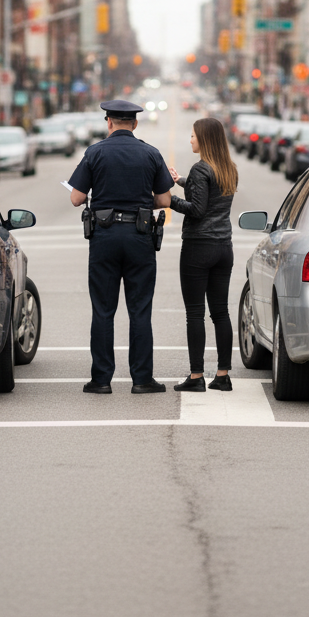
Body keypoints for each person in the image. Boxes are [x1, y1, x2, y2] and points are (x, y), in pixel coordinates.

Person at [68, 99, 174, 395]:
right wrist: (140, 202)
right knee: (140, 310)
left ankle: (101, 380)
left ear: (109, 122)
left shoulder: (95, 152)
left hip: (104, 238)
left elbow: (76, 198)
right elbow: (164, 200)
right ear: (135, 123)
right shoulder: (151, 153)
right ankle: (142, 380)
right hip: (140, 237)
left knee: (103, 310)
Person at [167, 118, 238, 393]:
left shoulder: (200, 168)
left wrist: (168, 198)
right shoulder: (229, 169)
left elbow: (197, 209)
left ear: (205, 139)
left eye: (194, 135)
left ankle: (196, 376)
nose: (190, 139)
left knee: (195, 313)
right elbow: (209, 195)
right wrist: (181, 181)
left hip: (199, 247)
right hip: (224, 247)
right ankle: (223, 375)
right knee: (220, 312)